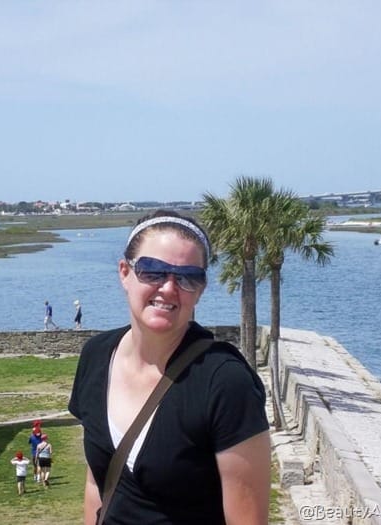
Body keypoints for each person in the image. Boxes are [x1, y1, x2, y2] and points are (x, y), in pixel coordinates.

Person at [68, 209, 270, 525]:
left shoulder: (225, 382)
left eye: (188, 277)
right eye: (152, 271)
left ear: (200, 290)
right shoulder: (96, 357)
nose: (169, 288)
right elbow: (97, 481)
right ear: (124, 272)